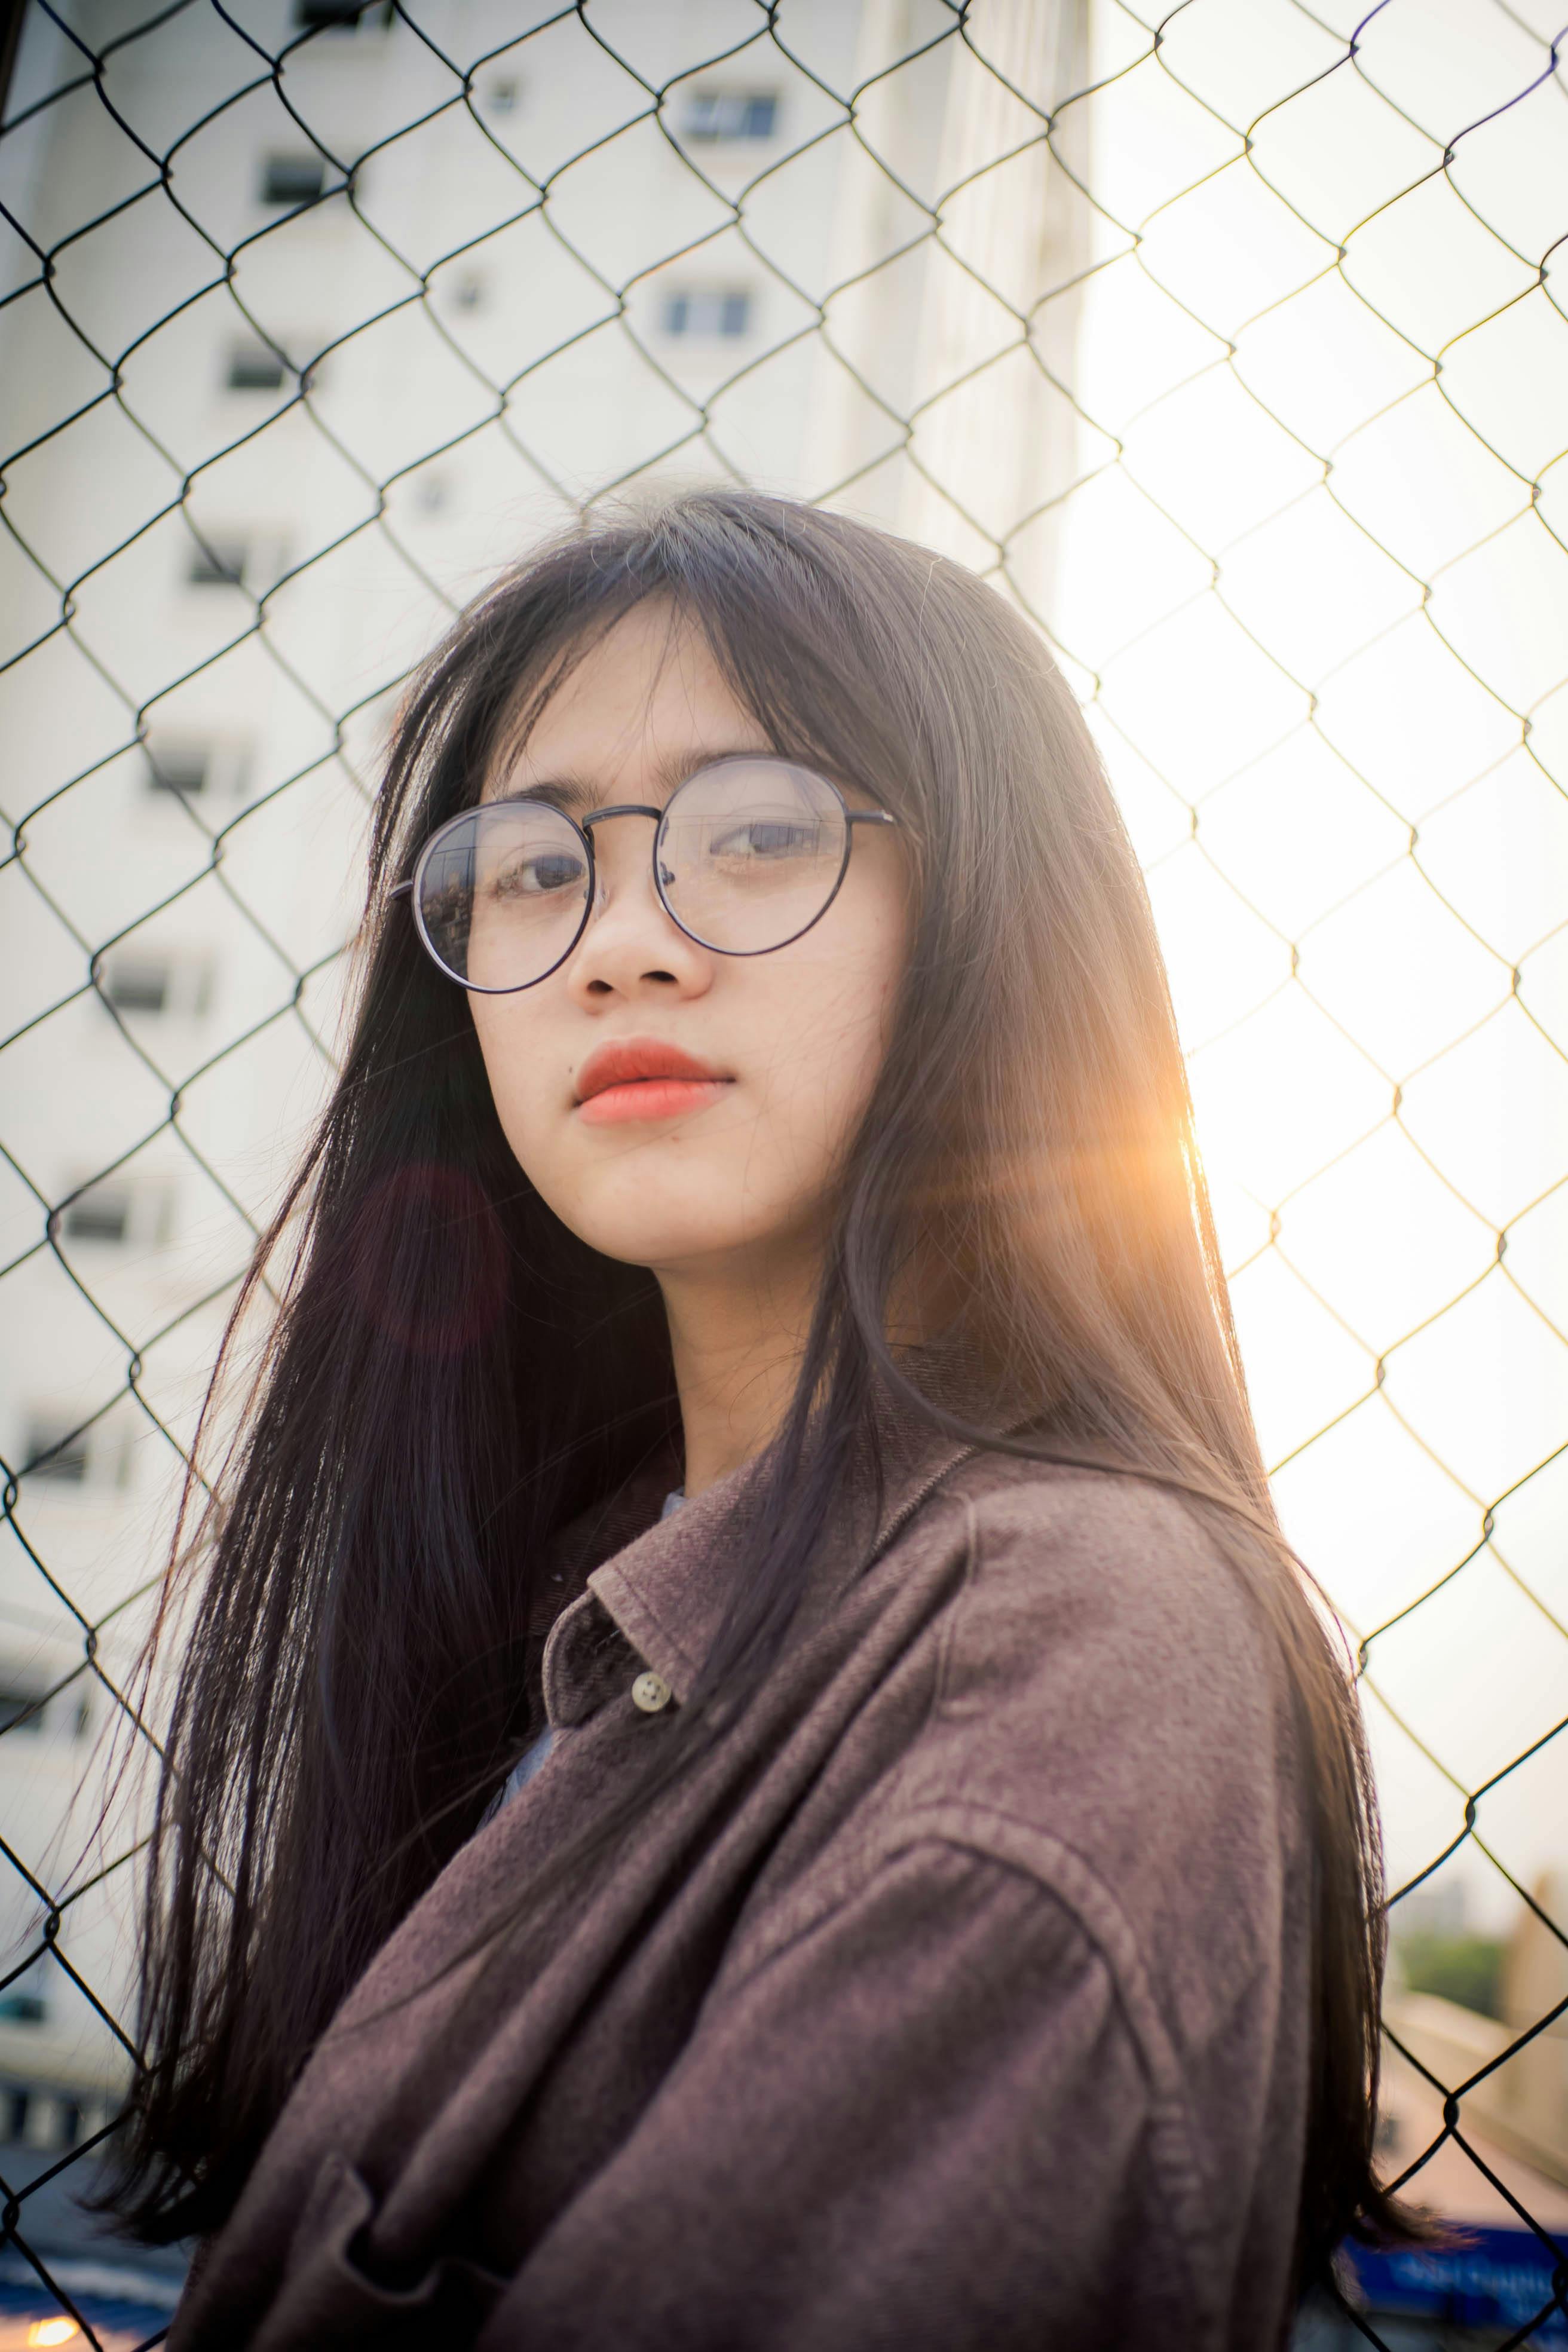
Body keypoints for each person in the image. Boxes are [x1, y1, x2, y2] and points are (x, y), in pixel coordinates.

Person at [107, 488, 1423, 2347]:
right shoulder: (571, 1601)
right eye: (534, 866)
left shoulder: (1060, 1651)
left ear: (985, 912)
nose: (620, 940)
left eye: (759, 834)